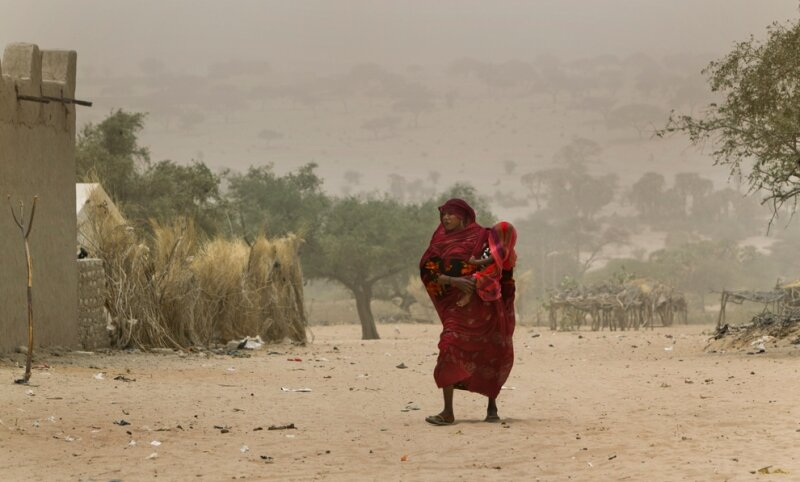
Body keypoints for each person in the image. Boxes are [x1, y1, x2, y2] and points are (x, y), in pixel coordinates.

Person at [419, 198, 517, 425]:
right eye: (443, 215)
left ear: (462, 216)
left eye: (450, 214)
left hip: (485, 305)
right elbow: (428, 270)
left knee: (491, 350)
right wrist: (454, 281)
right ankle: (447, 412)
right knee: (449, 346)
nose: (446, 218)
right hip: (457, 307)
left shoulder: (484, 236)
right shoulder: (438, 241)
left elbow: (502, 259)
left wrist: (484, 281)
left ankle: (492, 407)